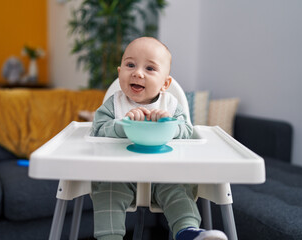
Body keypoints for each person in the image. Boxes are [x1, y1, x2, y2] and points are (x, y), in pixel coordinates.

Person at [90, 37, 227, 240]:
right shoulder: (115, 104)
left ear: (165, 83)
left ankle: (188, 232)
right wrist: (123, 125)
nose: (137, 73)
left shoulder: (170, 105)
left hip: (164, 175)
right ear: (120, 73)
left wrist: (169, 124)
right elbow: (97, 130)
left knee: (179, 191)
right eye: (130, 65)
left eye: (150, 68)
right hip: (120, 175)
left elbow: (187, 132)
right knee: (107, 193)